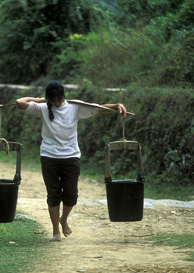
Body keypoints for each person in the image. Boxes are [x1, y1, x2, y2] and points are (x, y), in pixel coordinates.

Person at [16, 80, 127, 242]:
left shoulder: (75, 107)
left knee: (71, 195)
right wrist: (37, 99)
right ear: (48, 99)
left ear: (63, 96)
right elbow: (19, 103)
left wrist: (117, 105)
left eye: (59, 99)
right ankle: (55, 231)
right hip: (49, 157)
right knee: (53, 195)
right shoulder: (42, 108)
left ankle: (63, 219)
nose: (56, 103)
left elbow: (98, 108)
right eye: (52, 100)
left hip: (71, 157)